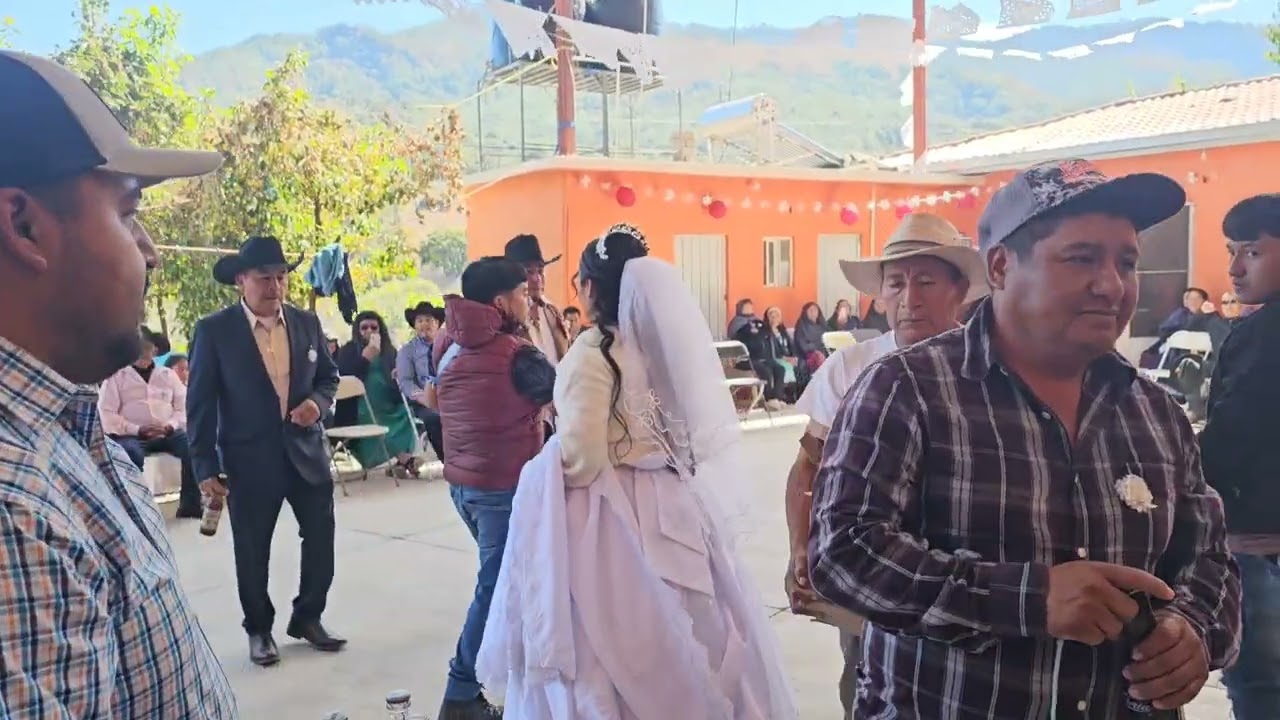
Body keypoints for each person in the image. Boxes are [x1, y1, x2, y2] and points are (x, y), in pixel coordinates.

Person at [809, 159, 1241, 718]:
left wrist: (1193, 632)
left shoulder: (1157, 414)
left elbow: (1209, 557)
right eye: (1080, 258)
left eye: (1126, 262)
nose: (1110, 284)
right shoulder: (906, 390)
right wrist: (1029, 599)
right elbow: (843, 553)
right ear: (1001, 267)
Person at [476, 223, 797, 719]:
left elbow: (583, 457)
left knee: (608, 639)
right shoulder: (658, 346)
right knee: (695, 619)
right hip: (669, 493)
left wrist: (544, 468)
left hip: (611, 509)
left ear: (589, 287)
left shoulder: (592, 352)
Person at [0, 49, 235, 715]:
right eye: (129, 212)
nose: (151, 250)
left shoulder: (59, 426)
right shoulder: (13, 511)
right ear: (24, 226)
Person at [786, 213, 986, 720]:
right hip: (869, 572)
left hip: (963, 584)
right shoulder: (852, 367)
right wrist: (800, 548)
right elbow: (808, 466)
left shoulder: (986, 367)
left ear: (959, 289)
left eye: (925, 281)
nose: (909, 297)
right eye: (896, 283)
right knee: (866, 682)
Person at [187, 234, 345, 668]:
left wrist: (318, 404)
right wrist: (205, 466)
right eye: (264, 278)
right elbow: (199, 404)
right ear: (241, 280)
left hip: (306, 453)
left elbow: (329, 378)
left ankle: (308, 617)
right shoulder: (214, 331)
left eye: (281, 278)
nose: (275, 287)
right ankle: (259, 628)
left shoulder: (306, 323)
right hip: (247, 459)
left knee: (321, 539)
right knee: (253, 549)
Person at [432, 256, 555, 720]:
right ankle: (460, 692)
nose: (530, 301)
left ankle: (519, 681)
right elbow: (570, 402)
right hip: (504, 489)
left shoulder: (447, 343)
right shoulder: (519, 355)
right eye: (524, 294)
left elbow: (433, 397)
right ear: (502, 302)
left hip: (463, 487)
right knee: (496, 589)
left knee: (511, 586)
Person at [1199, 193, 1280, 720]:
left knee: (1260, 685)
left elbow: (1235, 432)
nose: (1233, 268)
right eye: (1232, 251)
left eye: (1251, 252)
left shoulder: (1263, 333)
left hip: (1260, 542)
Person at [99, 326, 201, 517]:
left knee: (193, 446)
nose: (143, 352)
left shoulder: (167, 375)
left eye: (147, 347)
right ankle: (134, 510)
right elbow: (107, 413)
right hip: (132, 435)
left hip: (168, 431)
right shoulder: (116, 377)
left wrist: (170, 425)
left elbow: (183, 407)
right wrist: (138, 429)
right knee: (128, 454)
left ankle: (191, 504)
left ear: (154, 349)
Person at [335, 311, 421, 476]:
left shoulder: (390, 351)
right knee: (375, 421)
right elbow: (345, 377)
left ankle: (401, 462)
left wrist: (399, 373)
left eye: (374, 327)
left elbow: (401, 379)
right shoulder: (349, 350)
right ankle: (406, 460)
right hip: (360, 405)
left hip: (389, 402)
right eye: (364, 328)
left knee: (406, 415)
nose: (369, 331)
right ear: (357, 331)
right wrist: (365, 358)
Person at [505, 234, 569, 366]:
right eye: (529, 272)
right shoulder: (508, 317)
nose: (537, 279)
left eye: (540, 271)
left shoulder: (552, 311)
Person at [397, 300, 446, 460]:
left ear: (437, 323)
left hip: (450, 394)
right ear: (414, 326)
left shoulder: (449, 344)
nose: (424, 324)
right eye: (420, 320)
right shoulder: (407, 351)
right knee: (434, 417)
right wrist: (423, 397)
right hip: (424, 400)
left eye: (429, 320)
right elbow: (406, 382)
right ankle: (447, 460)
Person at [731, 300, 786, 410]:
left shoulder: (757, 322)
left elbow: (764, 335)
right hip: (745, 360)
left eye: (751, 307)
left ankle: (777, 398)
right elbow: (741, 340)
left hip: (761, 358)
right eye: (747, 307)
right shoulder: (737, 324)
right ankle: (768, 399)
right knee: (765, 370)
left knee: (780, 369)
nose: (750, 309)